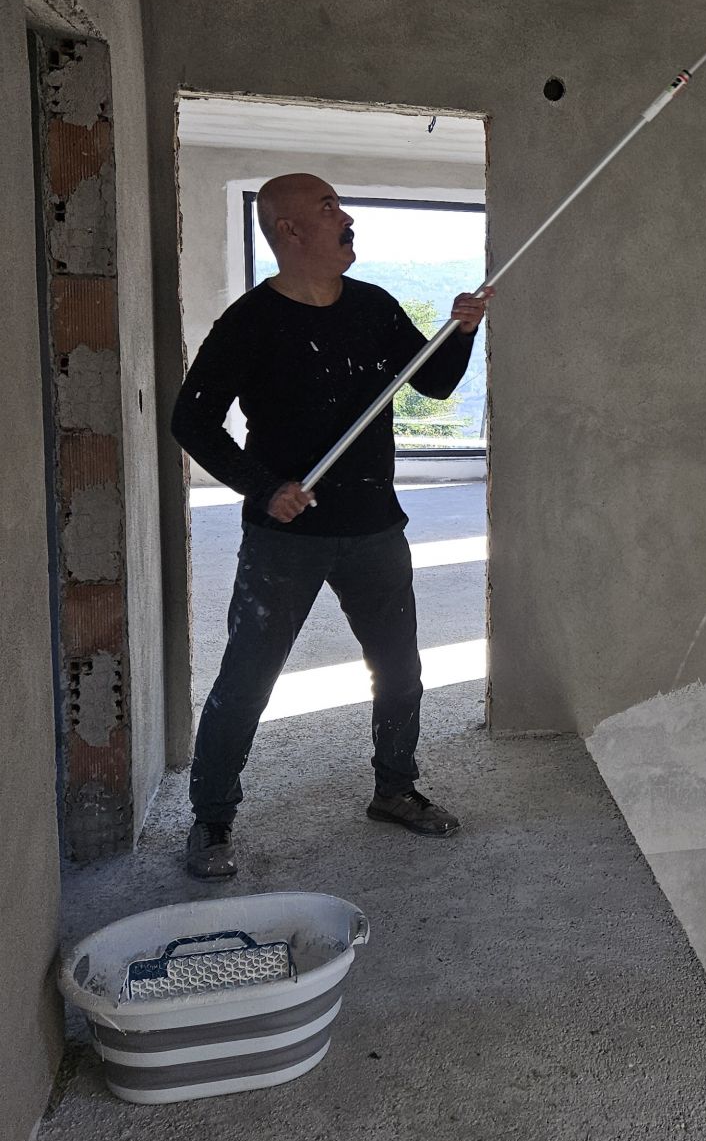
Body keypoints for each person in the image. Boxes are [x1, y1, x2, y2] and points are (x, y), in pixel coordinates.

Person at [170, 173, 490, 881]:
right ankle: (212, 819)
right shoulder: (250, 323)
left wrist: (461, 331)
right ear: (289, 231)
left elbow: (433, 382)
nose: (346, 218)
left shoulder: (374, 306)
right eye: (328, 208)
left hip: (375, 526)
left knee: (399, 670)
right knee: (247, 679)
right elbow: (190, 420)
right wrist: (264, 488)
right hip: (285, 538)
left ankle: (395, 789)